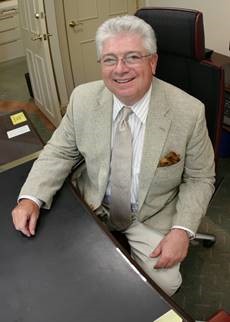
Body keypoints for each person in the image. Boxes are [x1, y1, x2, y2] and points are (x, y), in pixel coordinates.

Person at [12, 15, 215, 296]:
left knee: (165, 286)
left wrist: (182, 231)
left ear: (152, 62)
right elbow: (59, 151)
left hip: (150, 213)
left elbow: (200, 177)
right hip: (93, 199)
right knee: (56, 264)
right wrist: (31, 197)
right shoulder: (82, 99)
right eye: (109, 59)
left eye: (132, 57)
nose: (120, 69)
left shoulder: (188, 112)